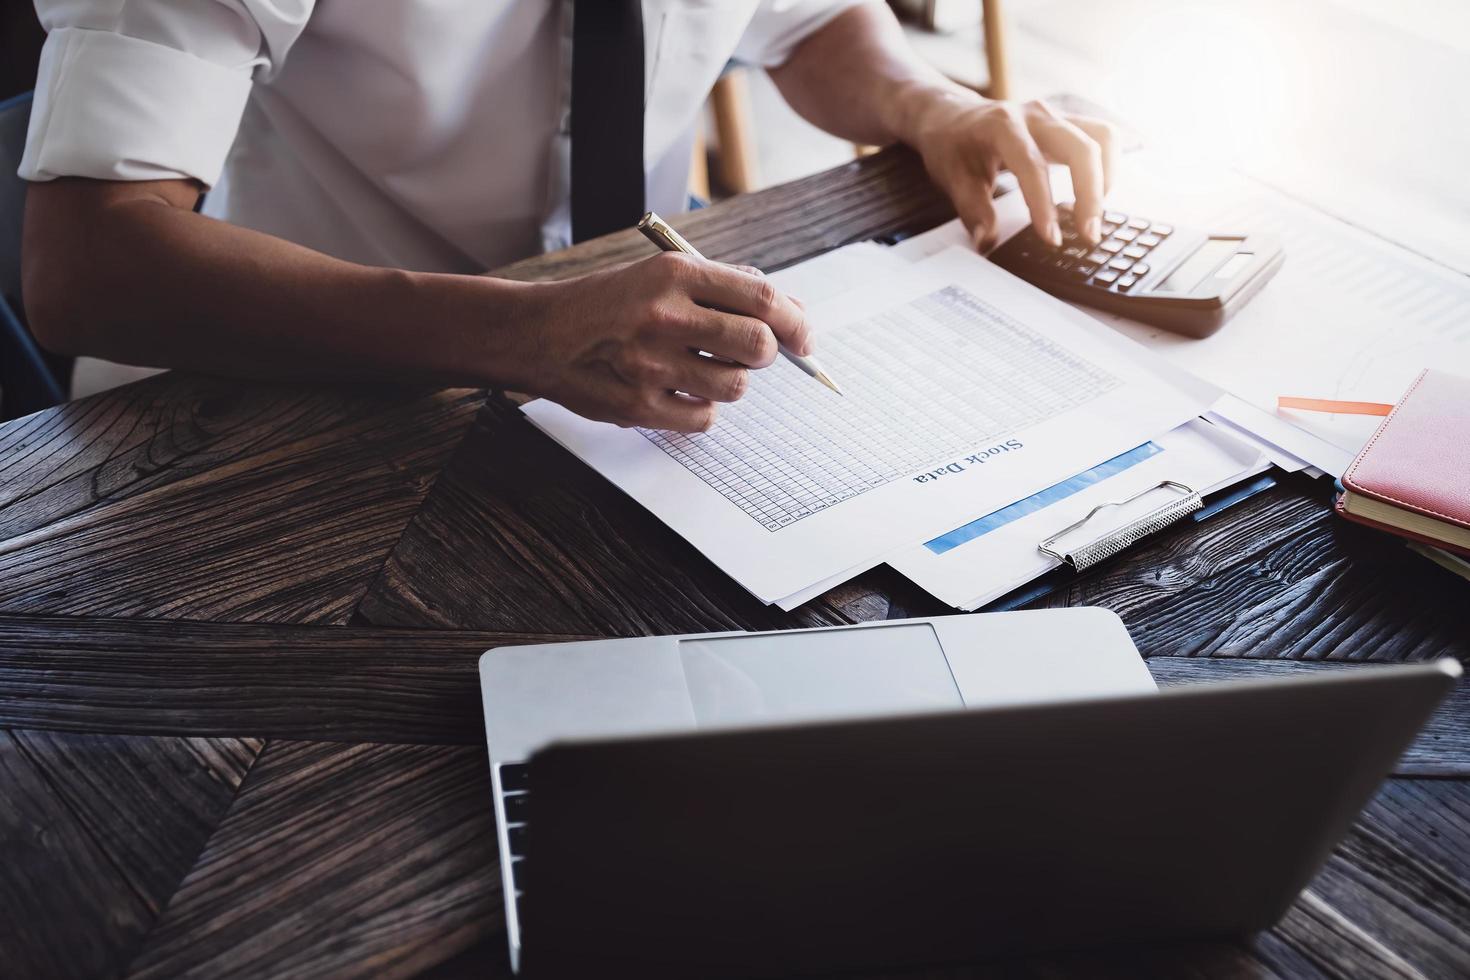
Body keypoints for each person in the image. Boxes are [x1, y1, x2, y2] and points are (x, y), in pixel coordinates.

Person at [19, 0, 1114, 433]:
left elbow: (812, 17)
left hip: (624, 396)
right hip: (271, 409)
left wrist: (928, 105)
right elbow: (88, 261)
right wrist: (518, 333)